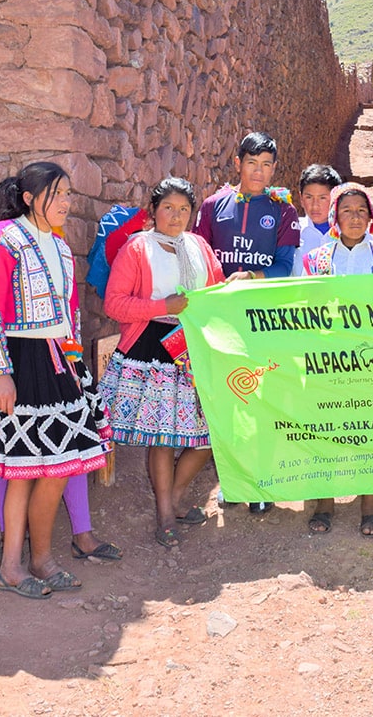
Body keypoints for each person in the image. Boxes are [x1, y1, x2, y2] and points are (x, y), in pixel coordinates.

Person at [0, 162, 112, 599]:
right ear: (30, 199)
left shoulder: (61, 248)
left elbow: (69, 315)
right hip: (14, 360)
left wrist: (76, 367)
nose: (67, 202)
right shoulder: (1, 239)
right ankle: (11, 567)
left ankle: (42, 560)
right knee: (22, 473)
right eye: (58, 193)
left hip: (55, 361)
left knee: (58, 468)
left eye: (69, 194)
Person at [99, 177, 224, 548]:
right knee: (163, 436)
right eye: (168, 207)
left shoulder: (199, 245)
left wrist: (235, 287)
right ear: (153, 210)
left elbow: (215, 290)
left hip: (194, 348)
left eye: (184, 209)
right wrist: (162, 307)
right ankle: (165, 515)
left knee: (211, 431)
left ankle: (175, 498)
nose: (176, 215)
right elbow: (115, 303)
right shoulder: (138, 247)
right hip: (152, 349)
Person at [194, 131, 300, 513]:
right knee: (227, 400)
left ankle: (264, 481)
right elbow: (199, 258)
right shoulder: (212, 206)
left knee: (262, 398)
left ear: (274, 169)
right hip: (222, 320)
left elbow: (286, 267)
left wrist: (251, 278)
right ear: (238, 163)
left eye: (267, 165)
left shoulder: (284, 210)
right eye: (252, 163)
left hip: (264, 319)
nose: (259, 172)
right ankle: (233, 479)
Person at [303, 182, 373, 537]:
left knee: (370, 429)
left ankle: (369, 503)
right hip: (329, 358)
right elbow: (305, 306)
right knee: (327, 427)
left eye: (362, 210)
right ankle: (326, 502)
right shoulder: (316, 259)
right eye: (347, 210)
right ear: (335, 217)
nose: (355, 217)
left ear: (371, 216)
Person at [292, 163, 342, 276]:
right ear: (301, 198)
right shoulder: (292, 230)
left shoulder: (348, 234)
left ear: (335, 198)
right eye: (309, 197)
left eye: (322, 198)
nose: (315, 205)